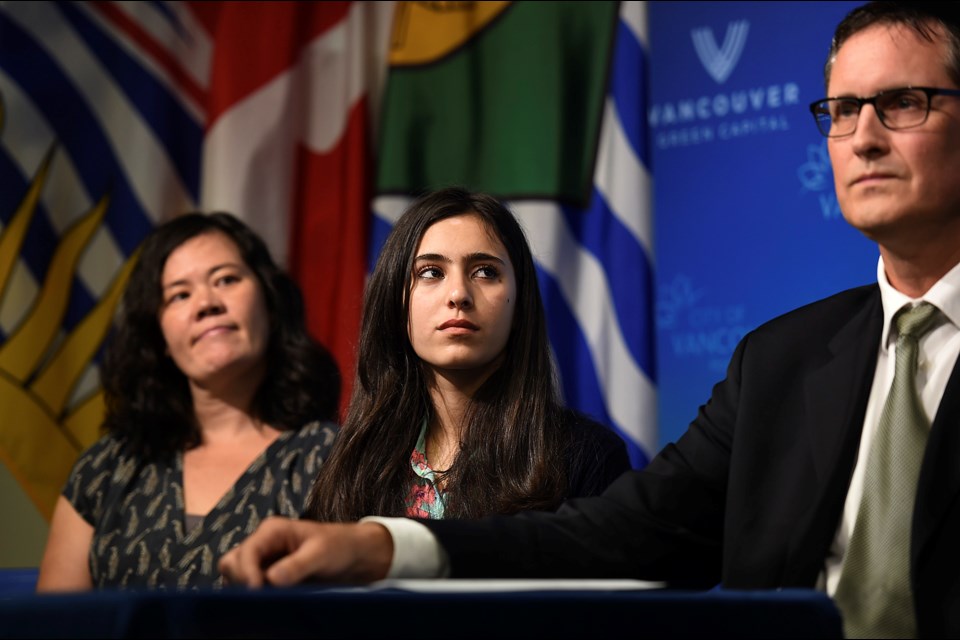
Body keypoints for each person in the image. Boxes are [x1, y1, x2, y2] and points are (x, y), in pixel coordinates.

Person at [219, 2, 960, 637]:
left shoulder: (580, 448)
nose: (863, 136)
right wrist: (385, 548)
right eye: (841, 110)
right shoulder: (779, 360)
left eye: (902, 104)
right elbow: (618, 537)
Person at [37, 212, 341, 591]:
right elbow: (58, 624)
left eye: (226, 279)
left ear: (270, 302)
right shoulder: (105, 470)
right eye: (180, 294)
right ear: (159, 335)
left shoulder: (333, 459)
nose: (206, 304)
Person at [304, 187, 629, 522]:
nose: (458, 294)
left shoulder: (587, 457)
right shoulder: (350, 465)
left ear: (519, 304)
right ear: (396, 303)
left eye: (486, 271)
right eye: (430, 272)